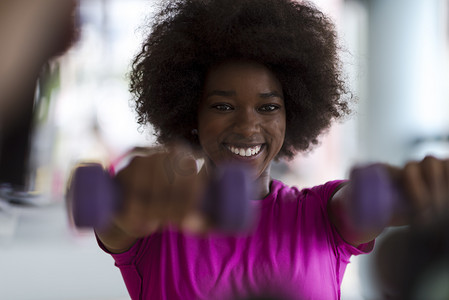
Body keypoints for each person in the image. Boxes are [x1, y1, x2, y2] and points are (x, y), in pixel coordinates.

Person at [94, 0, 449, 299]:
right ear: (191, 115)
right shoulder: (158, 219)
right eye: (223, 106)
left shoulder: (320, 215)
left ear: (290, 116)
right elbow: (117, 218)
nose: (248, 127)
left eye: (267, 107)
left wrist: (409, 187)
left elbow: (363, 201)